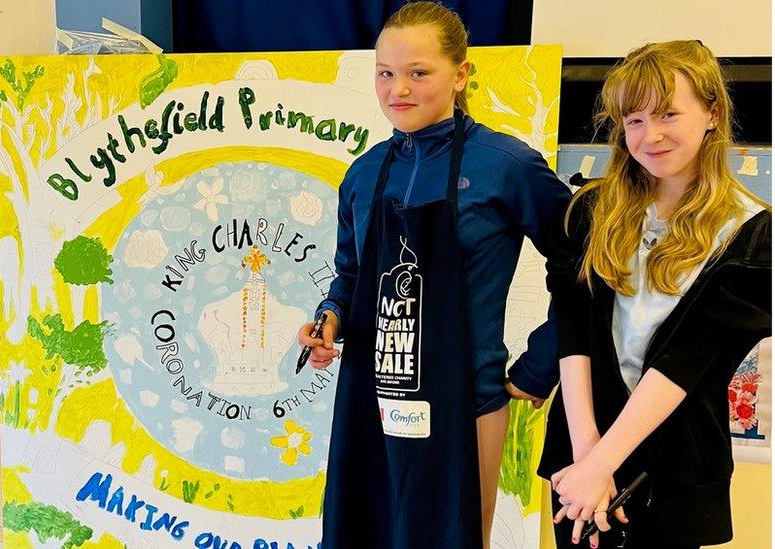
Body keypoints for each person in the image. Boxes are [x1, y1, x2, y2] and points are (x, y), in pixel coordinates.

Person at [296, 2, 571, 547]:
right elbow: (350, 273)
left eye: (419, 72)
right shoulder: (365, 171)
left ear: (461, 74)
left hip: (467, 403)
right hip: (372, 399)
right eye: (386, 73)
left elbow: (586, 266)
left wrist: (540, 365)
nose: (399, 89)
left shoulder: (507, 165)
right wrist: (328, 319)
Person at [538, 40, 771, 549]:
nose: (651, 135)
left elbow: (691, 361)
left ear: (711, 113)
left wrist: (603, 463)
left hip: (673, 464)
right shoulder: (591, 210)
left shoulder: (751, 233)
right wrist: (586, 459)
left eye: (668, 113)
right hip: (581, 458)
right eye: (635, 120)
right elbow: (572, 330)